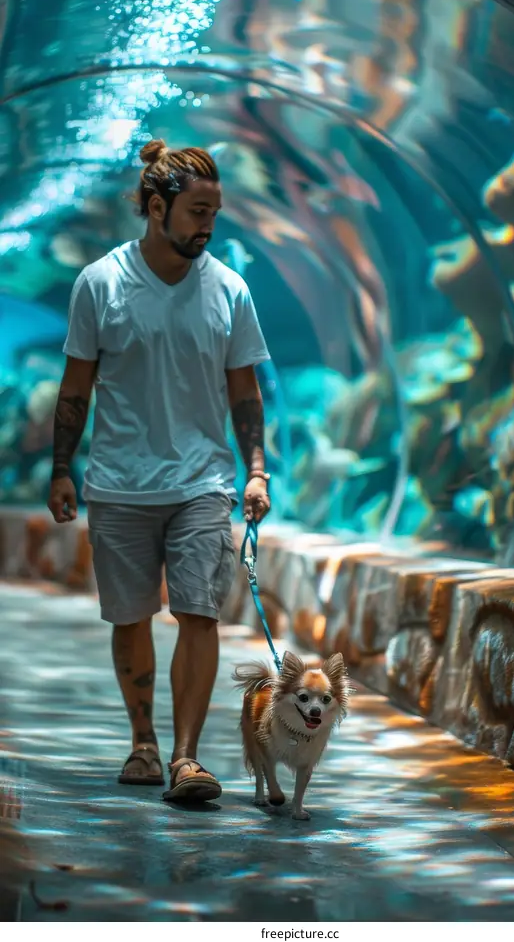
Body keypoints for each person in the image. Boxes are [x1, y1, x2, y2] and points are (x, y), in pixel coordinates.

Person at [47, 138, 271, 804]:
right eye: (196, 209)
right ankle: (142, 742)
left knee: (199, 610)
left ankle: (185, 757)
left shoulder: (230, 290)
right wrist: (62, 467)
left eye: (215, 212)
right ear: (154, 206)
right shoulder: (100, 284)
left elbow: (245, 392)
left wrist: (256, 470)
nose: (207, 223)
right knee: (131, 614)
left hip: (203, 482)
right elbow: (75, 387)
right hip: (118, 484)